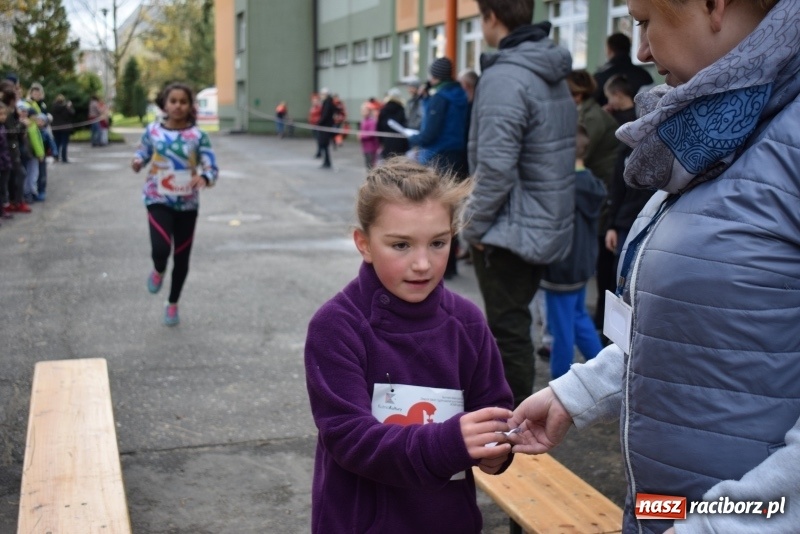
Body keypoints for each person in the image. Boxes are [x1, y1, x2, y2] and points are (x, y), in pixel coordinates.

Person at [508, 1, 800, 533]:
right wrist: (577, 393)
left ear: (714, 5)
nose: (640, 51)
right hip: (663, 509)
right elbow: (702, 327)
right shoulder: (710, 131)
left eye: (645, 21)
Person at [304, 157, 514, 533]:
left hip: (449, 520)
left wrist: (498, 450)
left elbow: (494, 409)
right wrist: (449, 443)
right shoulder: (336, 326)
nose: (422, 263)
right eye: (401, 245)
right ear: (364, 244)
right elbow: (350, 438)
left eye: (438, 243)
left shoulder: (467, 322)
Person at [462, 0, 576, 406]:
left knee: (506, 333)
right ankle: (513, 422)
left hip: (507, 231)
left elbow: (495, 168)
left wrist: (470, 226)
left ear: (491, 17)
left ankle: (506, 432)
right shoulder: (549, 70)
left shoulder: (504, 76)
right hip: (543, 224)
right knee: (517, 328)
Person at [131, 83, 219, 326]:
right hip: (157, 196)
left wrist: (204, 177)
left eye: (183, 101)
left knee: (181, 258)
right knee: (161, 249)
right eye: (173, 101)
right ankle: (158, 269)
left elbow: (211, 166)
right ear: (164, 104)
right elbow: (143, 152)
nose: (178, 106)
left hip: (187, 203)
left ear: (190, 106)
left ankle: (172, 303)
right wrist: (138, 161)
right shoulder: (153, 131)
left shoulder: (198, 136)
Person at [539, 126, 606, 379]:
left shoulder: (563, 188)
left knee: (561, 331)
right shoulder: (592, 183)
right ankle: (603, 373)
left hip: (561, 267)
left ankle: (560, 384)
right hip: (583, 264)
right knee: (578, 318)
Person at [566, 69, 621, 336]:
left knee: (597, 256)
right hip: (594, 188)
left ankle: (601, 325)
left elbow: (580, 153)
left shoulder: (590, 118)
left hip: (597, 190)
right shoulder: (586, 112)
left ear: (576, 93)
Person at [603, 75, 654, 261]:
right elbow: (618, 186)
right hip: (628, 218)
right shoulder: (626, 141)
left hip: (641, 217)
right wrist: (613, 225)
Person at [592, 32, 653, 108]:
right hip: (643, 118)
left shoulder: (600, 77)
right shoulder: (644, 75)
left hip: (610, 119)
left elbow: (593, 105)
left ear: (609, 50)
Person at [376, 87, 409, 160]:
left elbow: (379, 127)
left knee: (388, 164)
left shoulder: (383, 110)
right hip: (400, 143)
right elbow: (405, 126)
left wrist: (381, 142)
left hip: (386, 142)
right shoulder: (402, 110)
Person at [50, 94, 74, 163]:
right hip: (65, 128)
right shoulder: (66, 107)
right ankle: (64, 158)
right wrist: (70, 107)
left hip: (56, 128)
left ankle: (56, 157)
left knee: (57, 143)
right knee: (64, 143)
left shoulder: (54, 107)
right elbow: (72, 114)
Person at [315, 88, 336, 169]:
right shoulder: (328, 102)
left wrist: (319, 123)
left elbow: (325, 115)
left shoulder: (328, 103)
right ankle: (326, 161)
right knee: (324, 145)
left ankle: (327, 162)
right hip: (325, 126)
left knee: (324, 145)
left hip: (325, 127)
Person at [357, 103, 379, 170]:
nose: (363, 112)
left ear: (369, 111)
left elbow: (371, 133)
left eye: (365, 110)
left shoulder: (372, 121)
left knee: (371, 165)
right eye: (362, 110)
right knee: (367, 165)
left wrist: (362, 136)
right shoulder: (363, 121)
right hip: (365, 147)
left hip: (371, 147)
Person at [0, 102, 11, 222]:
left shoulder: (3, 126)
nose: (3, 117)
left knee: (3, 187)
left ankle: (2, 210)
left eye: (4, 114)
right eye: (0, 114)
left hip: (4, 160)